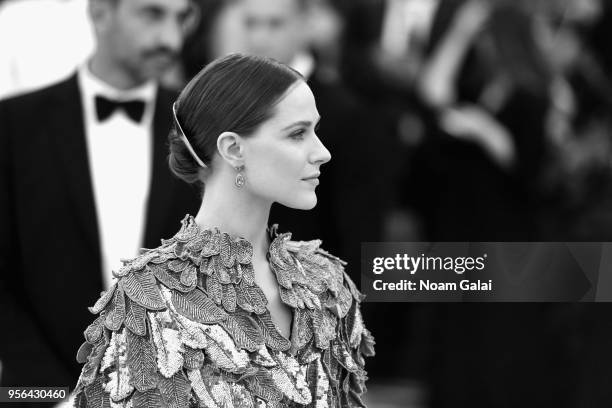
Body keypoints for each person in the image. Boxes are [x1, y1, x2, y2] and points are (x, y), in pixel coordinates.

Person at [73, 53, 375, 407]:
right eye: (297, 134)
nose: (321, 152)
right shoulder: (149, 296)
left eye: (315, 130)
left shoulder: (327, 282)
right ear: (233, 149)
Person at [0, 0, 200, 388]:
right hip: (36, 388)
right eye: (152, 14)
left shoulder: (198, 131)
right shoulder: (12, 126)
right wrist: (49, 393)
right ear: (100, 13)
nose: (171, 39)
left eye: (182, 17)